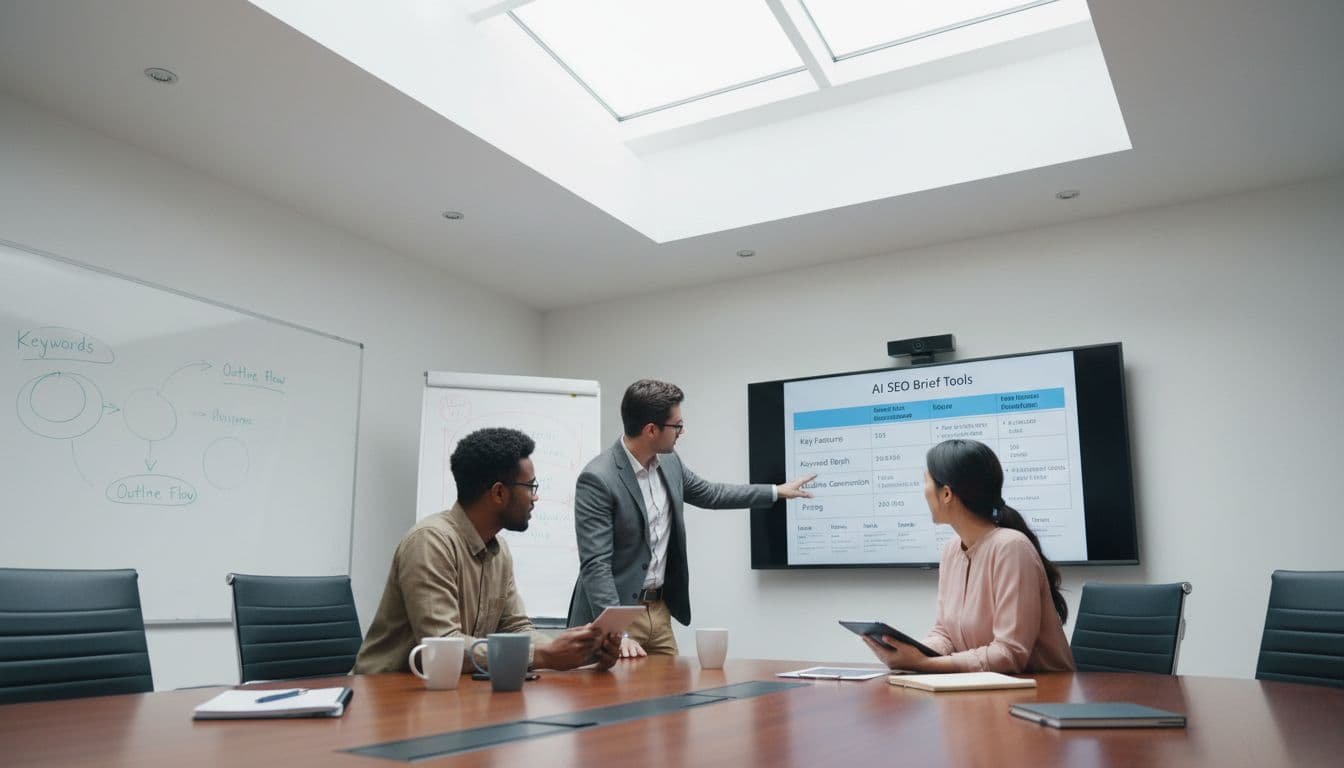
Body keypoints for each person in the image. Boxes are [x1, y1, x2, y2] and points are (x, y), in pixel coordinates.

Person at [568, 379, 816, 657]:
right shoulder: (598, 478)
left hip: (658, 613)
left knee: (672, 695)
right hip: (615, 618)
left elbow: (711, 494)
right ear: (651, 430)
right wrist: (617, 632)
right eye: (677, 425)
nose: (682, 432)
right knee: (614, 698)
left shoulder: (670, 463)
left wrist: (776, 492)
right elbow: (595, 564)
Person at [353, 427, 620, 674]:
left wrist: (583, 651)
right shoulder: (430, 542)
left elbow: (516, 629)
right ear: (498, 493)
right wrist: (543, 655)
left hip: (448, 697)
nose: (535, 497)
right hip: (382, 697)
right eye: (531, 487)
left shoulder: (498, 549)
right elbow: (442, 646)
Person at [863, 439, 1075, 673]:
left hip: (1042, 695)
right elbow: (945, 634)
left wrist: (924, 663)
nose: (923, 491)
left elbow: (1009, 655)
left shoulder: (1012, 547)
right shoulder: (951, 551)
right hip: (987, 691)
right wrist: (909, 652)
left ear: (946, 494)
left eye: (926, 482)